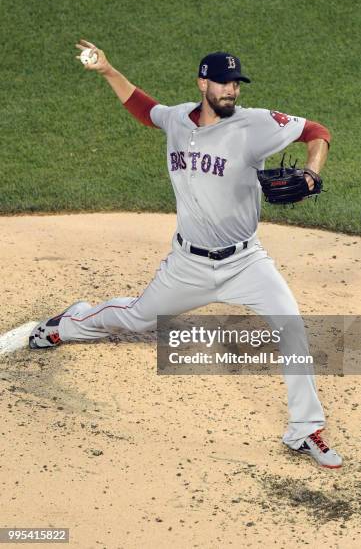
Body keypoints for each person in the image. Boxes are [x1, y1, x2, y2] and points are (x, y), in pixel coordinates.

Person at [29, 39, 342, 468]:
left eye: (236, 84)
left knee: (292, 329)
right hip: (189, 264)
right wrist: (107, 69)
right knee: (136, 317)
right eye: (223, 83)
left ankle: (305, 431)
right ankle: (68, 323)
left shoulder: (255, 125)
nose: (232, 91)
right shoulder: (178, 119)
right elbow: (145, 109)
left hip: (246, 262)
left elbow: (317, 132)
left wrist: (311, 172)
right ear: (203, 83)